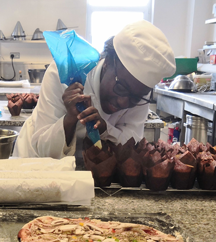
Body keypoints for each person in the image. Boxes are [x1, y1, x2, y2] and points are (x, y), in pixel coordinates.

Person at [13, 20, 176, 159]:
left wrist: (105, 130)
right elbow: (42, 149)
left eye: (135, 97)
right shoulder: (66, 72)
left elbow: (132, 144)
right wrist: (70, 119)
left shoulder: (138, 94)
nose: (123, 101)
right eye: (120, 88)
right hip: (35, 162)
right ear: (106, 63)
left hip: (93, 171)